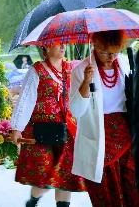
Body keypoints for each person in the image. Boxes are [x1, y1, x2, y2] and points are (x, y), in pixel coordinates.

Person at [11, 44, 86, 207]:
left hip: (66, 128)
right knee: (42, 175)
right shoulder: (36, 70)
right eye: (57, 44)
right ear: (46, 48)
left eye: (63, 43)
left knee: (65, 174)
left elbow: (78, 96)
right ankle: (33, 202)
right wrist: (17, 128)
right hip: (41, 130)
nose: (62, 46)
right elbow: (26, 99)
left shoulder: (70, 69)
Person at [70, 30, 139, 206]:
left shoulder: (124, 63)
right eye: (105, 53)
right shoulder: (81, 70)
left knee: (132, 190)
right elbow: (76, 110)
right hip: (98, 137)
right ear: (94, 45)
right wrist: (86, 82)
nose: (111, 58)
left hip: (126, 135)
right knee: (106, 194)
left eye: (115, 52)